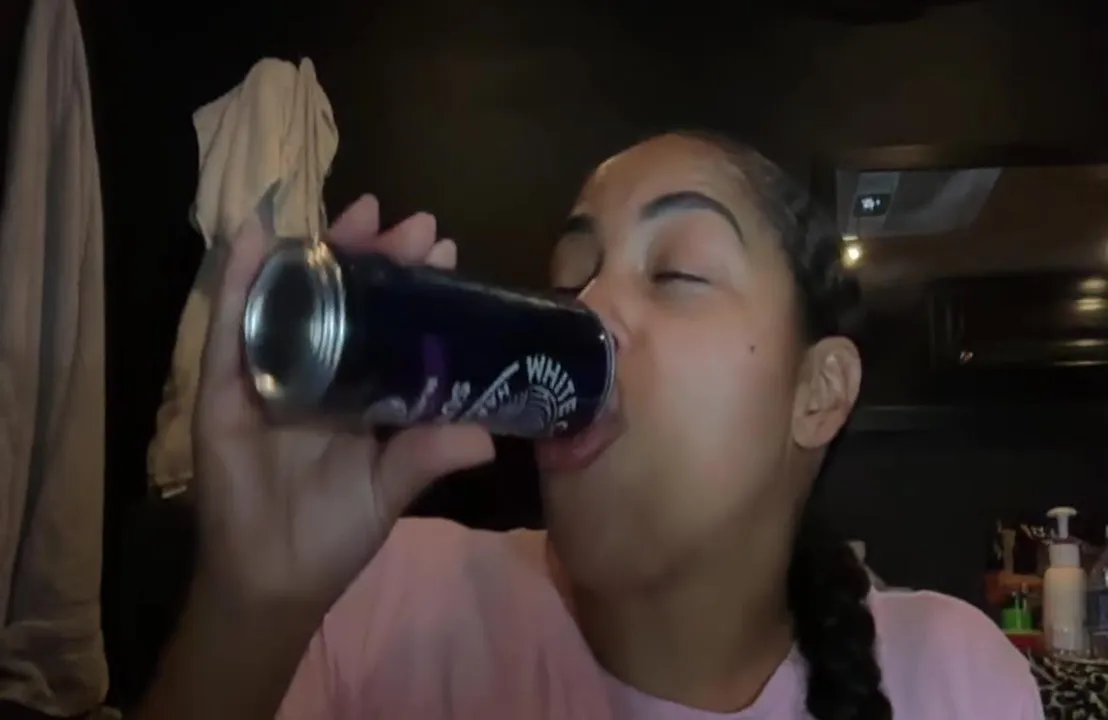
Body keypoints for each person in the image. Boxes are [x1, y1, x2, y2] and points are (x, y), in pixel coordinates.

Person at [135, 132, 1043, 720]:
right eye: (572, 277)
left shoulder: (954, 676)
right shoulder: (378, 600)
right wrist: (250, 606)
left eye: (676, 272)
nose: (589, 310)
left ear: (819, 392)